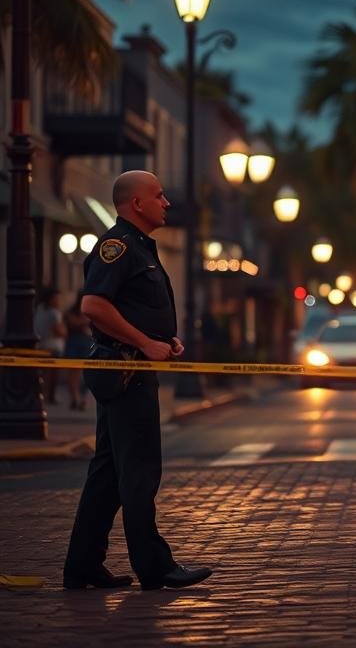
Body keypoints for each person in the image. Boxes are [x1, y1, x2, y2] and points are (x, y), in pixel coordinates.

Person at [63, 170, 212, 591]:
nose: (166, 202)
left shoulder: (140, 247)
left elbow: (129, 306)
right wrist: (145, 342)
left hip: (131, 367)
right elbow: (93, 305)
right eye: (159, 196)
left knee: (109, 474)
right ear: (137, 204)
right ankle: (154, 567)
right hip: (125, 372)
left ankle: (82, 566)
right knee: (140, 472)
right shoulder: (118, 246)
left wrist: (164, 339)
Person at [34, 286, 67, 404]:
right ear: (51, 299)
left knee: (43, 373)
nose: (59, 301)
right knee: (51, 375)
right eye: (57, 298)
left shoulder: (40, 309)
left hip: (41, 346)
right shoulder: (55, 313)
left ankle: (44, 395)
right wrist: (64, 329)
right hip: (53, 347)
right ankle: (48, 396)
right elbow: (61, 332)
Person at [64, 290, 93, 411]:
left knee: (88, 373)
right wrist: (84, 321)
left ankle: (83, 399)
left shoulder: (90, 311)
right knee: (74, 373)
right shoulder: (72, 311)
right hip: (75, 342)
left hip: (86, 342)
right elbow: (72, 322)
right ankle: (75, 398)